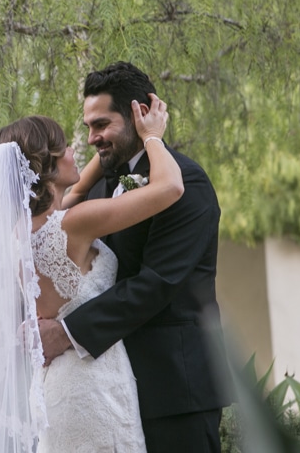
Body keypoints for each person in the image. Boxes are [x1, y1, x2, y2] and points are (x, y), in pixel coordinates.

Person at [0, 93, 182, 453]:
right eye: (67, 147)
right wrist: (152, 134)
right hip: (93, 384)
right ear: (47, 165)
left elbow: (71, 192)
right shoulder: (75, 224)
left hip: (56, 386)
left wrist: (104, 153)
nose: (79, 149)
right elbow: (170, 187)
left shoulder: (20, 234)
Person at [39, 61, 233, 453]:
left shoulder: (186, 183)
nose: (92, 138)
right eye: (88, 126)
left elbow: (155, 283)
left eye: (101, 125)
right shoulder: (101, 186)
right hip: (109, 391)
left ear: (138, 114)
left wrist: (65, 333)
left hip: (174, 393)